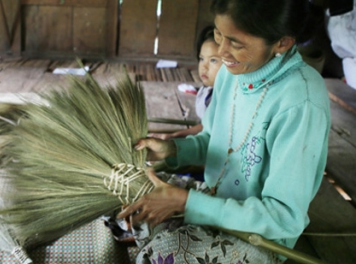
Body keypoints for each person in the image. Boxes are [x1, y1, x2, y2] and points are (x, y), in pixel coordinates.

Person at [118, 0, 331, 263]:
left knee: (160, 256)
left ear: (283, 42)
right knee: (129, 194)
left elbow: (284, 218)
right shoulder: (232, 73)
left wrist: (187, 203)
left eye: (236, 43)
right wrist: (171, 149)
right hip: (214, 196)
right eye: (219, 35)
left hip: (260, 235)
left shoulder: (301, 102)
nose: (222, 51)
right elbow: (213, 140)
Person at [151, 26, 222, 140]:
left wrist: (175, 136)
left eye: (213, 60)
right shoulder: (208, 88)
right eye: (202, 59)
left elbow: (205, 129)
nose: (204, 66)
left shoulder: (222, 100)